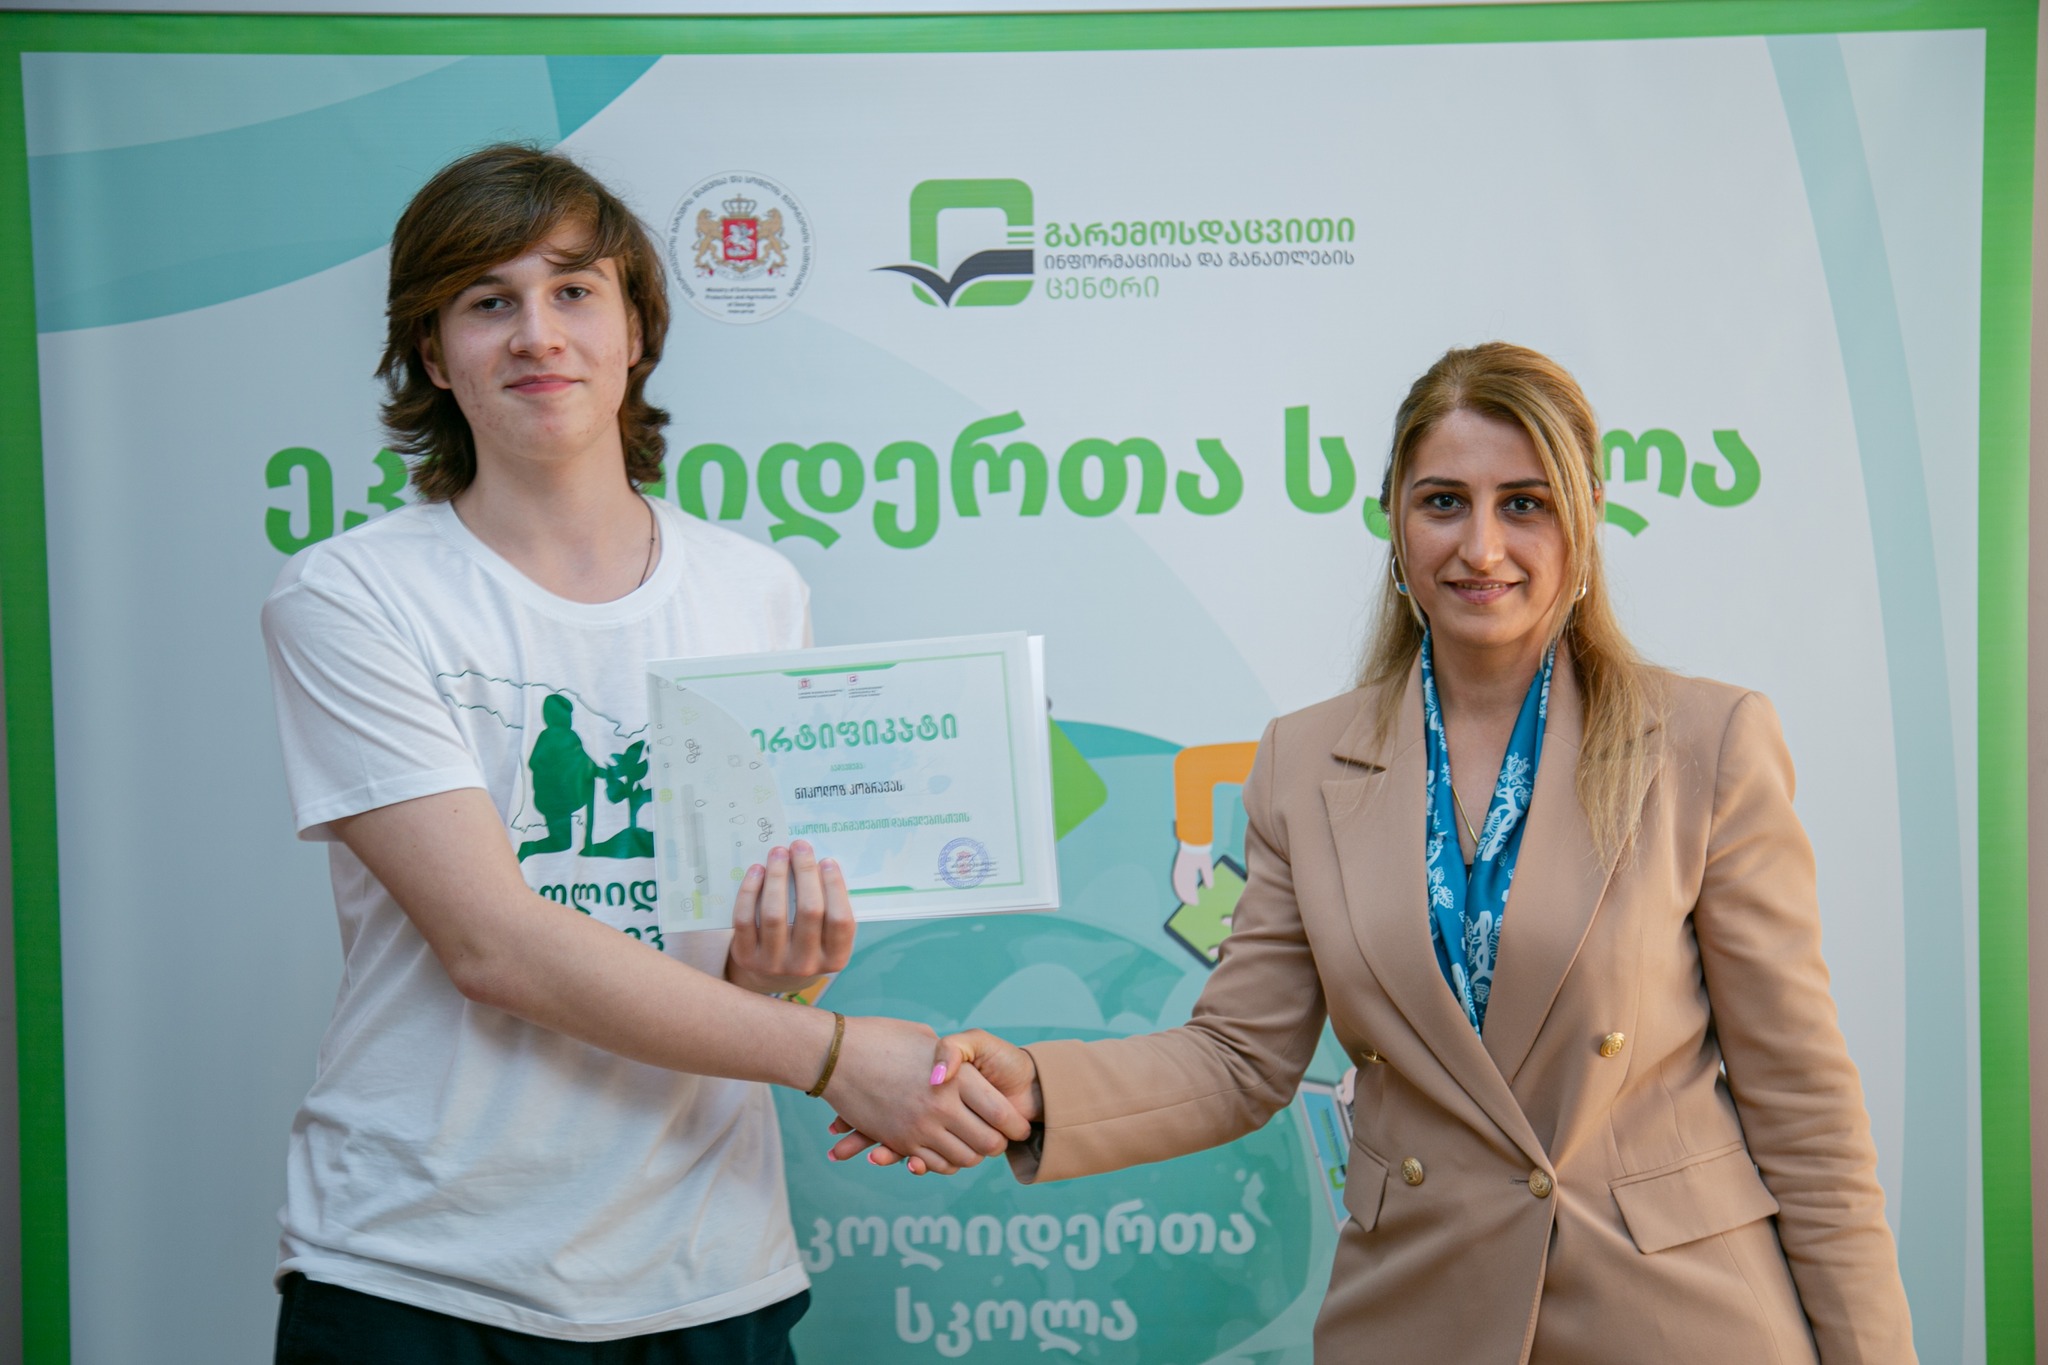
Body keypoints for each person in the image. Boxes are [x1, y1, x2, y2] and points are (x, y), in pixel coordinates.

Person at [836, 343, 1916, 1363]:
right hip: (1419, 1314)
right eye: (1442, 501)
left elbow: (1803, 1110)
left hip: (1674, 1319)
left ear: (1584, 518)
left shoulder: (1705, 743)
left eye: (1524, 504)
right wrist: (1033, 1085)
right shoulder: (1302, 763)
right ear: (1393, 519)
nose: (1480, 547)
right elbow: (1239, 1058)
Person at [260, 144, 1026, 1363]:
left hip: (704, 1268)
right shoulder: (350, 595)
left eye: (574, 290)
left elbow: (722, 961)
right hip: (422, 1271)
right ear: (433, 354)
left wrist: (777, 973)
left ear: (635, 330)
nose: (537, 334)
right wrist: (833, 1054)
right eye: (488, 301)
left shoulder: (754, 590)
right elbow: (494, 946)